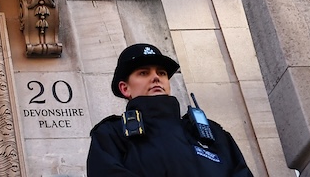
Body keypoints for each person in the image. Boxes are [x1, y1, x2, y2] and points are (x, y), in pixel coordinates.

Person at [87, 43, 255, 177]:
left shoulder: (212, 133)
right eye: (144, 73)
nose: (156, 78)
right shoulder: (112, 134)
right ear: (125, 89)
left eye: (162, 73)